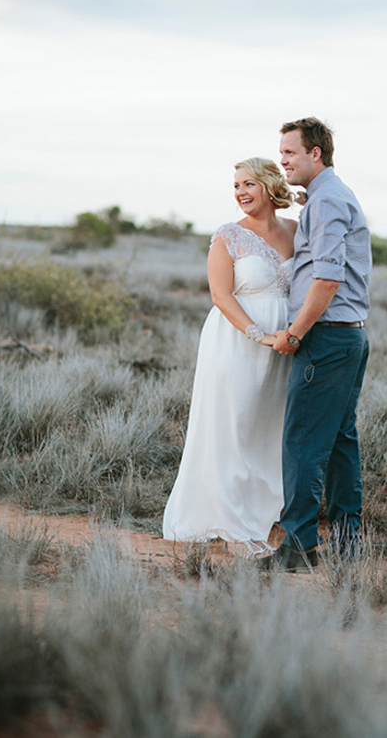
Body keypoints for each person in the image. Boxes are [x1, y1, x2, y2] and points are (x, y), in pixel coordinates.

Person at [163, 157, 297, 550]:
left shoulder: (296, 230)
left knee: (269, 426)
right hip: (237, 341)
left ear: (270, 186)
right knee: (233, 423)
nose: (240, 192)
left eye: (248, 184)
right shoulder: (228, 236)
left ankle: (268, 511)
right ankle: (225, 514)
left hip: (284, 346)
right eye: (236, 186)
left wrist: (287, 336)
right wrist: (258, 335)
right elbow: (220, 296)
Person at [258, 117, 371, 572]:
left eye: (288, 153)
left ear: (315, 154)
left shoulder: (326, 203)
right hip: (348, 336)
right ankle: (347, 544)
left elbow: (326, 278)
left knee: (302, 441)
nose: (281, 161)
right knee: (341, 441)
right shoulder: (330, 196)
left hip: (324, 338)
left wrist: (295, 333)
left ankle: (298, 547)